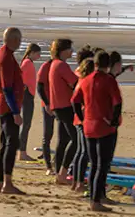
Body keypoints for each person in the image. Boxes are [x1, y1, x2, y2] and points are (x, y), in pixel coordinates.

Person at [72, 51, 123, 212]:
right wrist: (114, 121)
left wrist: (82, 116)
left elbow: (74, 101)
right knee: (102, 165)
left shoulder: (85, 80)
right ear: (108, 65)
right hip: (104, 127)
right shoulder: (109, 81)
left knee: (94, 164)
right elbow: (118, 103)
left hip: (88, 127)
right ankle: (96, 200)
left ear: (95, 64)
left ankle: (96, 198)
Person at [0, 27, 26, 194]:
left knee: (5, 144)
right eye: (19, 40)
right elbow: (7, 88)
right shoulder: (5, 57)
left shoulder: (4, 54)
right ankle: (7, 183)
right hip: (7, 107)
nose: (20, 43)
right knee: (11, 144)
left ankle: (0, 183)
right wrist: (15, 112)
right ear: (13, 40)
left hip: (3, 106)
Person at [48, 38, 79, 185]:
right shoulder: (61, 65)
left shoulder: (55, 64)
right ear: (62, 51)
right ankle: (63, 173)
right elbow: (75, 83)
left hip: (58, 106)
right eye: (69, 49)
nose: (72, 51)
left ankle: (58, 170)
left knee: (63, 140)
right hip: (65, 107)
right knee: (76, 140)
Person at [69, 55, 96, 192]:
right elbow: (74, 101)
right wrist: (82, 117)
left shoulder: (81, 81)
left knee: (80, 151)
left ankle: (76, 181)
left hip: (79, 120)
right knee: (84, 152)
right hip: (82, 120)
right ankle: (79, 182)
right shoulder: (84, 82)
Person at [17, 43, 41, 162]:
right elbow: (19, 77)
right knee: (26, 124)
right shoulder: (27, 63)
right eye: (38, 53)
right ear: (31, 52)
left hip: (28, 95)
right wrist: (24, 88)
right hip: (27, 96)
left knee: (26, 124)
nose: (39, 56)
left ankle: (22, 151)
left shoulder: (28, 62)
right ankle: (22, 152)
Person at [35, 47, 56, 173]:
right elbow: (40, 87)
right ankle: (48, 165)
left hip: (60, 104)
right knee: (47, 134)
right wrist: (47, 104)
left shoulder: (61, 66)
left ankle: (58, 163)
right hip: (48, 105)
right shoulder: (46, 66)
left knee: (64, 135)